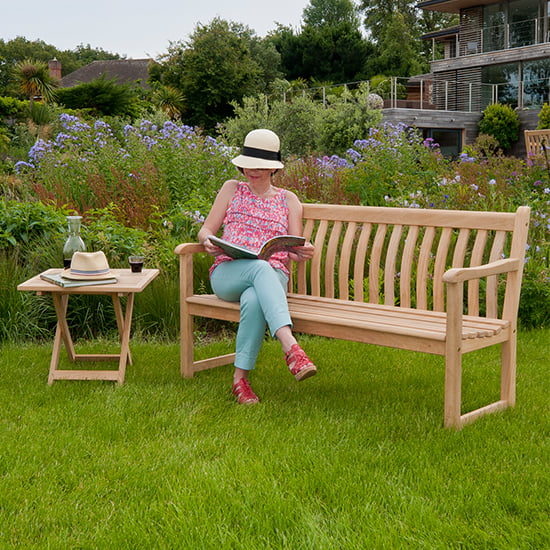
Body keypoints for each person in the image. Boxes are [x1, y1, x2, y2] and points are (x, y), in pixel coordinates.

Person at [197, 129, 317, 405]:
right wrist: (208, 242)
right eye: (249, 164)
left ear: (273, 168)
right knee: (259, 268)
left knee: (255, 294)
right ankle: (291, 348)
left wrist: (304, 251)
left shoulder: (289, 200)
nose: (253, 170)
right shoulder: (231, 189)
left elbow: (294, 250)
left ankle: (240, 381)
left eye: (261, 166)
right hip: (228, 273)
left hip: (271, 278)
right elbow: (206, 229)